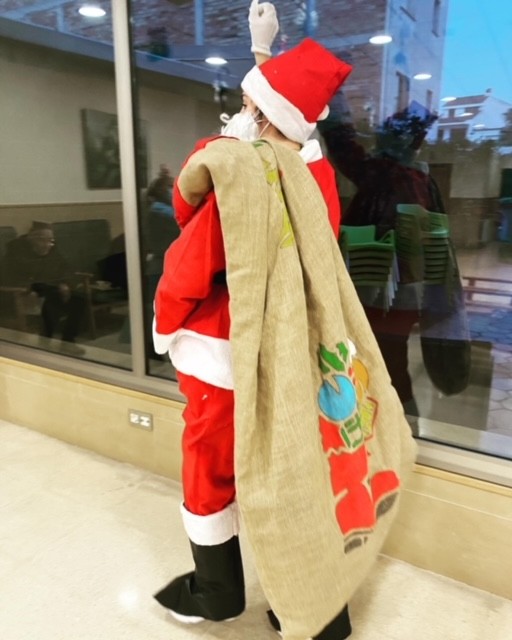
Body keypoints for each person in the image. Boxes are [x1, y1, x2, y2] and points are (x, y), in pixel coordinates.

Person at [152, 3, 415, 639]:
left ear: (262, 115)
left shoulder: (240, 177)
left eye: (247, 105)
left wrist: (165, 324)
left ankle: (216, 593)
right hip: (292, 349)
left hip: (222, 355)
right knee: (296, 468)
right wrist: (263, 55)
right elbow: (282, 124)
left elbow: (191, 263)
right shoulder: (313, 177)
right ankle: (317, 611)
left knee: (210, 470)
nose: (237, 114)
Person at [317, 95, 446, 420]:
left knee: (380, 367)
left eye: (387, 131)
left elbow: (343, 146)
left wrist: (334, 101)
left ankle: (397, 430)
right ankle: (403, 427)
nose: (378, 138)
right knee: (393, 364)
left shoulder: (386, 174)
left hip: (381, 296)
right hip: (404, 296)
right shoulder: (421, 180)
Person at [0, 221, 85, 355]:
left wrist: (65, 283)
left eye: (50, 241)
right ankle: (45, 342)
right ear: (31, 239)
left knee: (78, 300)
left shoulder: (53, 250)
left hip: (48, 288)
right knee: (52, 302)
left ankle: (68, 341)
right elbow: (7, 278)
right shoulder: (15, 253)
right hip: (20, 293)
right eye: (42, 240)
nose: (47, 245)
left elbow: (66, 269)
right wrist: (28, 289)